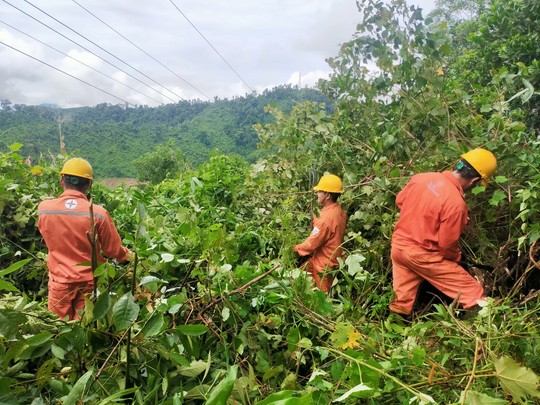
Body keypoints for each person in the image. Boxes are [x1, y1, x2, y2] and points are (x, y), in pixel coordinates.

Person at [389, 148, 497, 316]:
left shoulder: (421, 178)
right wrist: (457, 258)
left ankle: (393, 334)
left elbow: (400, 201)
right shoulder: (456, 204)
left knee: (401, 300)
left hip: (398, 248)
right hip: (423, 255)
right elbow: (446, 245)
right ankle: (478, 336)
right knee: (473, 292)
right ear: (475, 180)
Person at [38, 158, 132, 320]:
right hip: (89, 282)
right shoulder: (98, 213)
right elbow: (113, 251)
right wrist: (130, 257)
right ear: (89, 184)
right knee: (84, 326)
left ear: (62, 180)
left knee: (57, 328)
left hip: (59, 282)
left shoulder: (44, 209)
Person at [293, 174, 347, 292]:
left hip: (324, 264)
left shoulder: (327, 219)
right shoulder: (337, 210)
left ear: (327, 195)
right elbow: (328, 229)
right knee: (301, 274)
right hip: (328, 258)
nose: (317, 194)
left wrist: (296, 248)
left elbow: (312, 243)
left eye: (319, 192)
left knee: (322, 299)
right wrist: (316, 221)